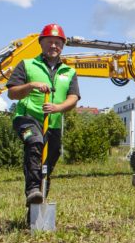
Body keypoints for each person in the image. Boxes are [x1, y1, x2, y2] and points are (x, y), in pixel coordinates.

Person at [6, 24, 80, 207]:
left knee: (47, 164)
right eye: (49, 42)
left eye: (57, 43)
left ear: (62, 46)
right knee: (35, 142)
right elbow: (12, 93)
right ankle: (32, 189)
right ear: (41, 43)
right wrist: (31, 86)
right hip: (27, 118)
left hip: (53, 124)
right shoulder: (27, 65)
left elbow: (73, 98)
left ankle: (37, 204)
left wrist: (58, 107)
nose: (53, 46)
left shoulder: (69, 72)